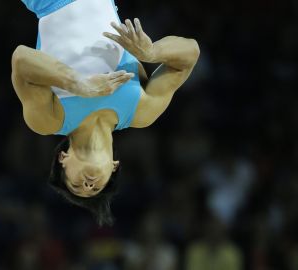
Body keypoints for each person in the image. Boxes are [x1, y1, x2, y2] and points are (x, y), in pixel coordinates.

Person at [12, 0, 200, 225]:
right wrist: (152, 52)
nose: (88, 185)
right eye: (96, 187)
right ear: (114, 166)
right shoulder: (141, 113)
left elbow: (21, 58)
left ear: (63, 159)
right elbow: (190, 53)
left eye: (76, 185)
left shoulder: (50, 121)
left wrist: (78, 84)